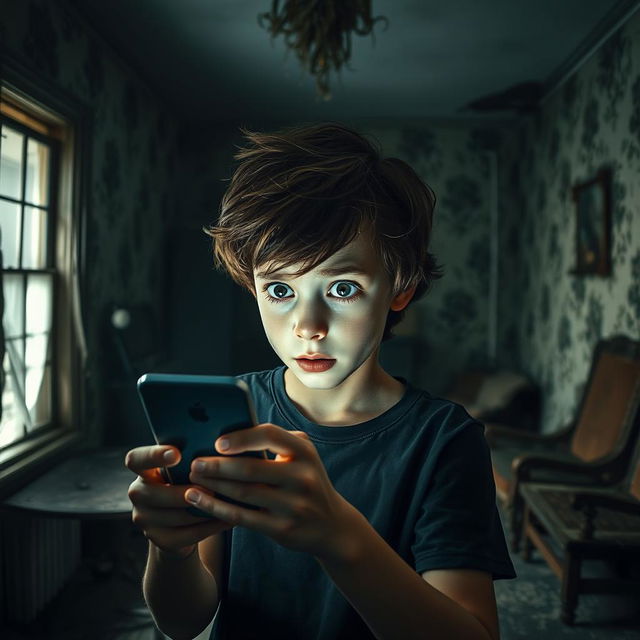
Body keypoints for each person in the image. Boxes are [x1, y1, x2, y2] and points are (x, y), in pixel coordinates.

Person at [125, 122, 516, 640]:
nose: (308, 325)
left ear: (400, 286)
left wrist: (339, 537)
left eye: (343, 286)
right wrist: (169, 548)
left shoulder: (444, 441)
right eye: (280, 289)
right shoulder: (234, 416)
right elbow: (180, 623)